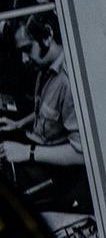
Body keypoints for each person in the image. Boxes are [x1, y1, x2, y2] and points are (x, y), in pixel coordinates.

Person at [0, 13, 92, 213]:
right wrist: (18, 124)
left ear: (47, 35)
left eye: (27, 49)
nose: (24, 59)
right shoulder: (45, 66)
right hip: (36, 147)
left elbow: (82, 154)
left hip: (57, 172)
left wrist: (27, 152)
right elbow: (48, 112)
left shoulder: (70, 81)